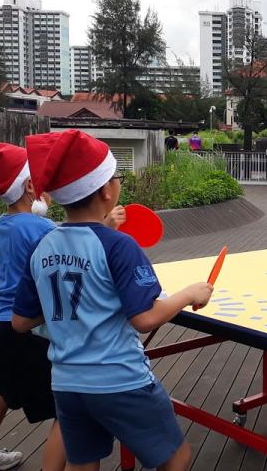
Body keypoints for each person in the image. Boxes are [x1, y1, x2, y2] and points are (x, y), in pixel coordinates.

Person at [11, 129, 213, 471]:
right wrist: (189, 293)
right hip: (120, 380)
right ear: (107, 190)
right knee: (176, 457)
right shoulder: (118, 245)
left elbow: (20, 321)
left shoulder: (42, 246)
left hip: (67, 382)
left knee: (83, 463)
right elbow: (145, 317)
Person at [0, 142, 64, 471]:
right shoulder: (41, 227)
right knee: (67, 406)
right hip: (24, 328)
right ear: (31, 186)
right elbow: (77, 251)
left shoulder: (0, 226)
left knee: (5, 391)